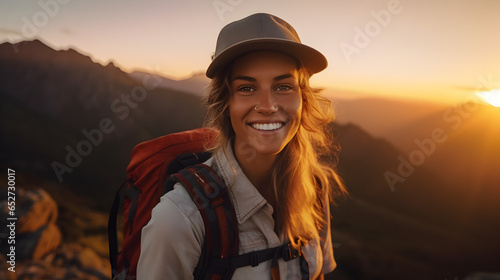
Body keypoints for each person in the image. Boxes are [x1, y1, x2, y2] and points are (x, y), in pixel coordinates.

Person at [137, 13, 347, 280]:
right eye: (247, 88)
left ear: (303, 99)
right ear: (225, 104)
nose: (268, 106)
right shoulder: (180, 219)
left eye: (283, 86)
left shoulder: (315, 188)